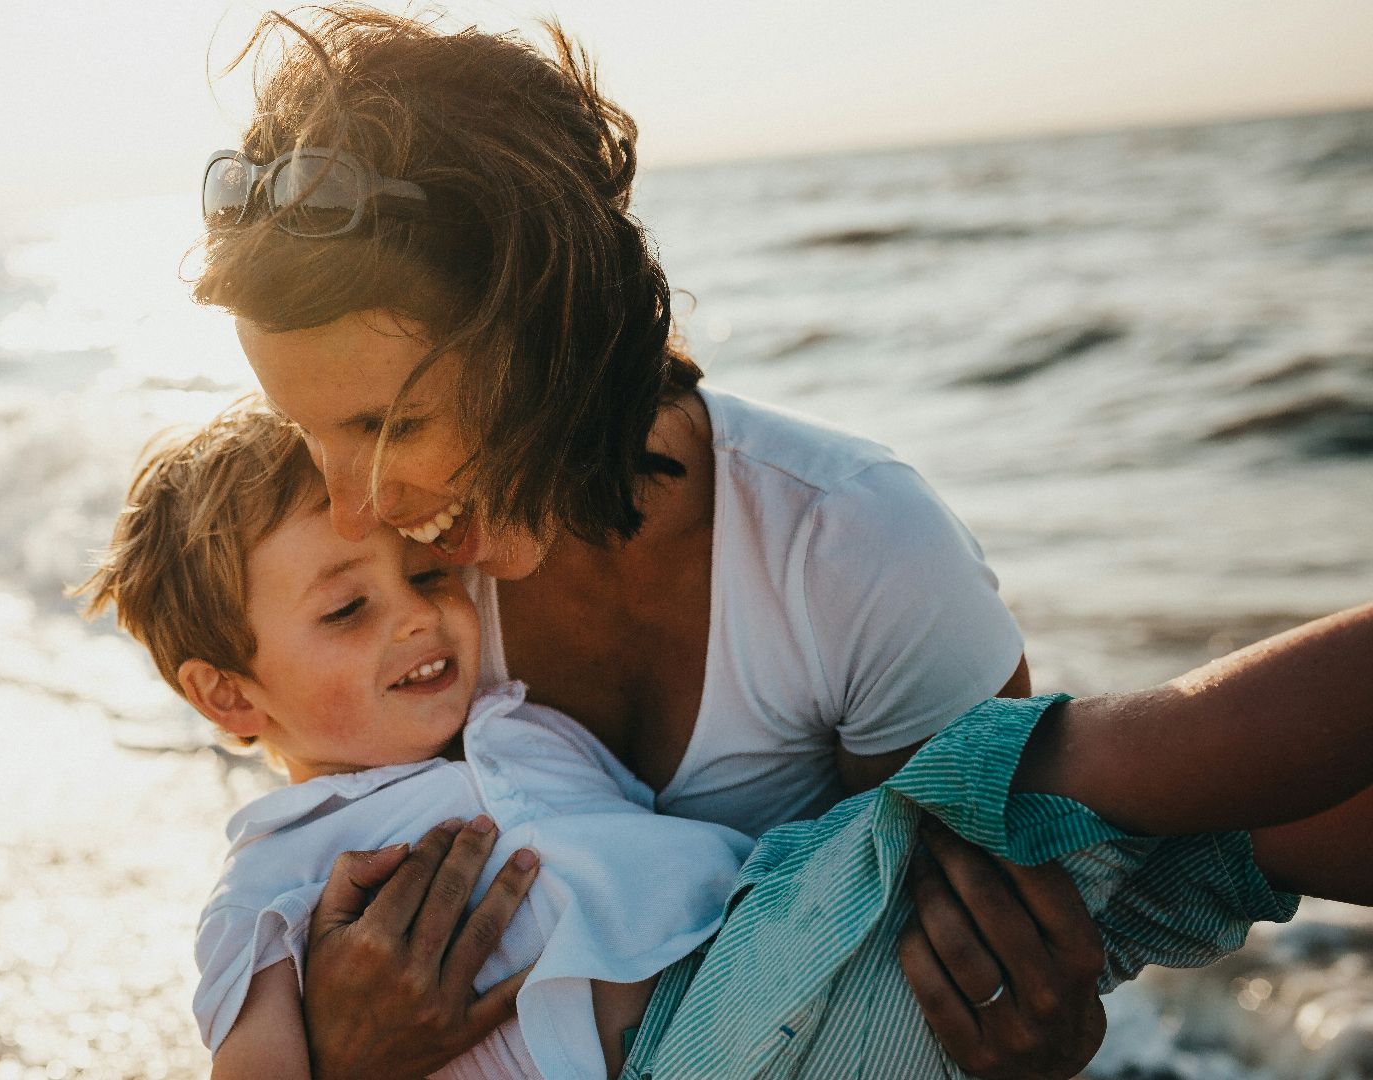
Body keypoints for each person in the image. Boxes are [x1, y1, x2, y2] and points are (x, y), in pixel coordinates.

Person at [192, 8, 1109, 1077]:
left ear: (553, 336)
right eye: (306, 429)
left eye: (385, 428)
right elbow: (318, 874)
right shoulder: (391, 594)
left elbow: (989, 965)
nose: (352, 507)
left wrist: (1044, 1035)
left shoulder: (854, 551)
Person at [76, 402, 1373, 1080]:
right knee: (1067, 772)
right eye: (348, 610)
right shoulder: (278, 875)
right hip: (702, 1046)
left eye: (422, 577)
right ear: (229, 698)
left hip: (796, 995)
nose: (421, 618)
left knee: (1204, 848)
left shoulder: (517, 729)